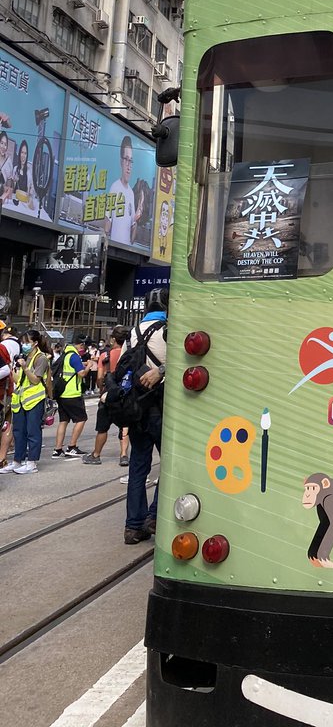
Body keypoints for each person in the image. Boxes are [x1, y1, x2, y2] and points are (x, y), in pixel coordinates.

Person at [124, 288, 167, 544]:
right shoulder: (168, 330)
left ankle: (133, 526)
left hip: (136, 408)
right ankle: (154, 516)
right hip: (161, 408)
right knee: (170, 464)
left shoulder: (133, 332)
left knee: (138, 466)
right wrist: (161, 370)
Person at [83, 326, 131, 467]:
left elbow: (99, 377)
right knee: (125, 426)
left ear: (114, 339)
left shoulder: (105, 356)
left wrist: (103, 388)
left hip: (108, 395)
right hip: (124, 394)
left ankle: (96, 454)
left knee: (103, 427)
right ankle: (123, 455)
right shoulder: (129, 355)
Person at [7, 327, 52, 474]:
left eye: (27, 342)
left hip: (35, 400)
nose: (24, 345)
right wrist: (12, 368)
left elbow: (35, 380)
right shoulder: (24, 357)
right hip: (20, 400)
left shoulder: (41, 358)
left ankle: (32, 462)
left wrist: (25, 368)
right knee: (19, 431)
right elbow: (18, 380)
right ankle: (17, 461)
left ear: (35, 343)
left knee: (33, 431)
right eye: (23, 342)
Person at [52, 336, 89, 457]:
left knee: (63, 421)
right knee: (81, 419)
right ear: (81, 345)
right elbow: (81, 373)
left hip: (61, 393)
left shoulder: (65, 354)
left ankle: (57, 449)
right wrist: (89, 366)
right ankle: (72, 446)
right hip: (72, 393)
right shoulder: (74, 356)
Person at [105, 135, 144, 245]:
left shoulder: (131, 193)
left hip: (126, 249)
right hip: (113, 247)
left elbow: (132, 236)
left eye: (131, 161)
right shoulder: (115, 187)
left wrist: (138, 213)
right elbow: (108, 220)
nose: (128, 165)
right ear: (121, 161)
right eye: (126, 159)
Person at [0, 323, 21, 473]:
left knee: (5, 423)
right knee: (7, 423)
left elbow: (5, 369)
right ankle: (2, 458)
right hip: (11, 388)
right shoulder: (18, 345)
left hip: (3, 392)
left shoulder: (3, 347)